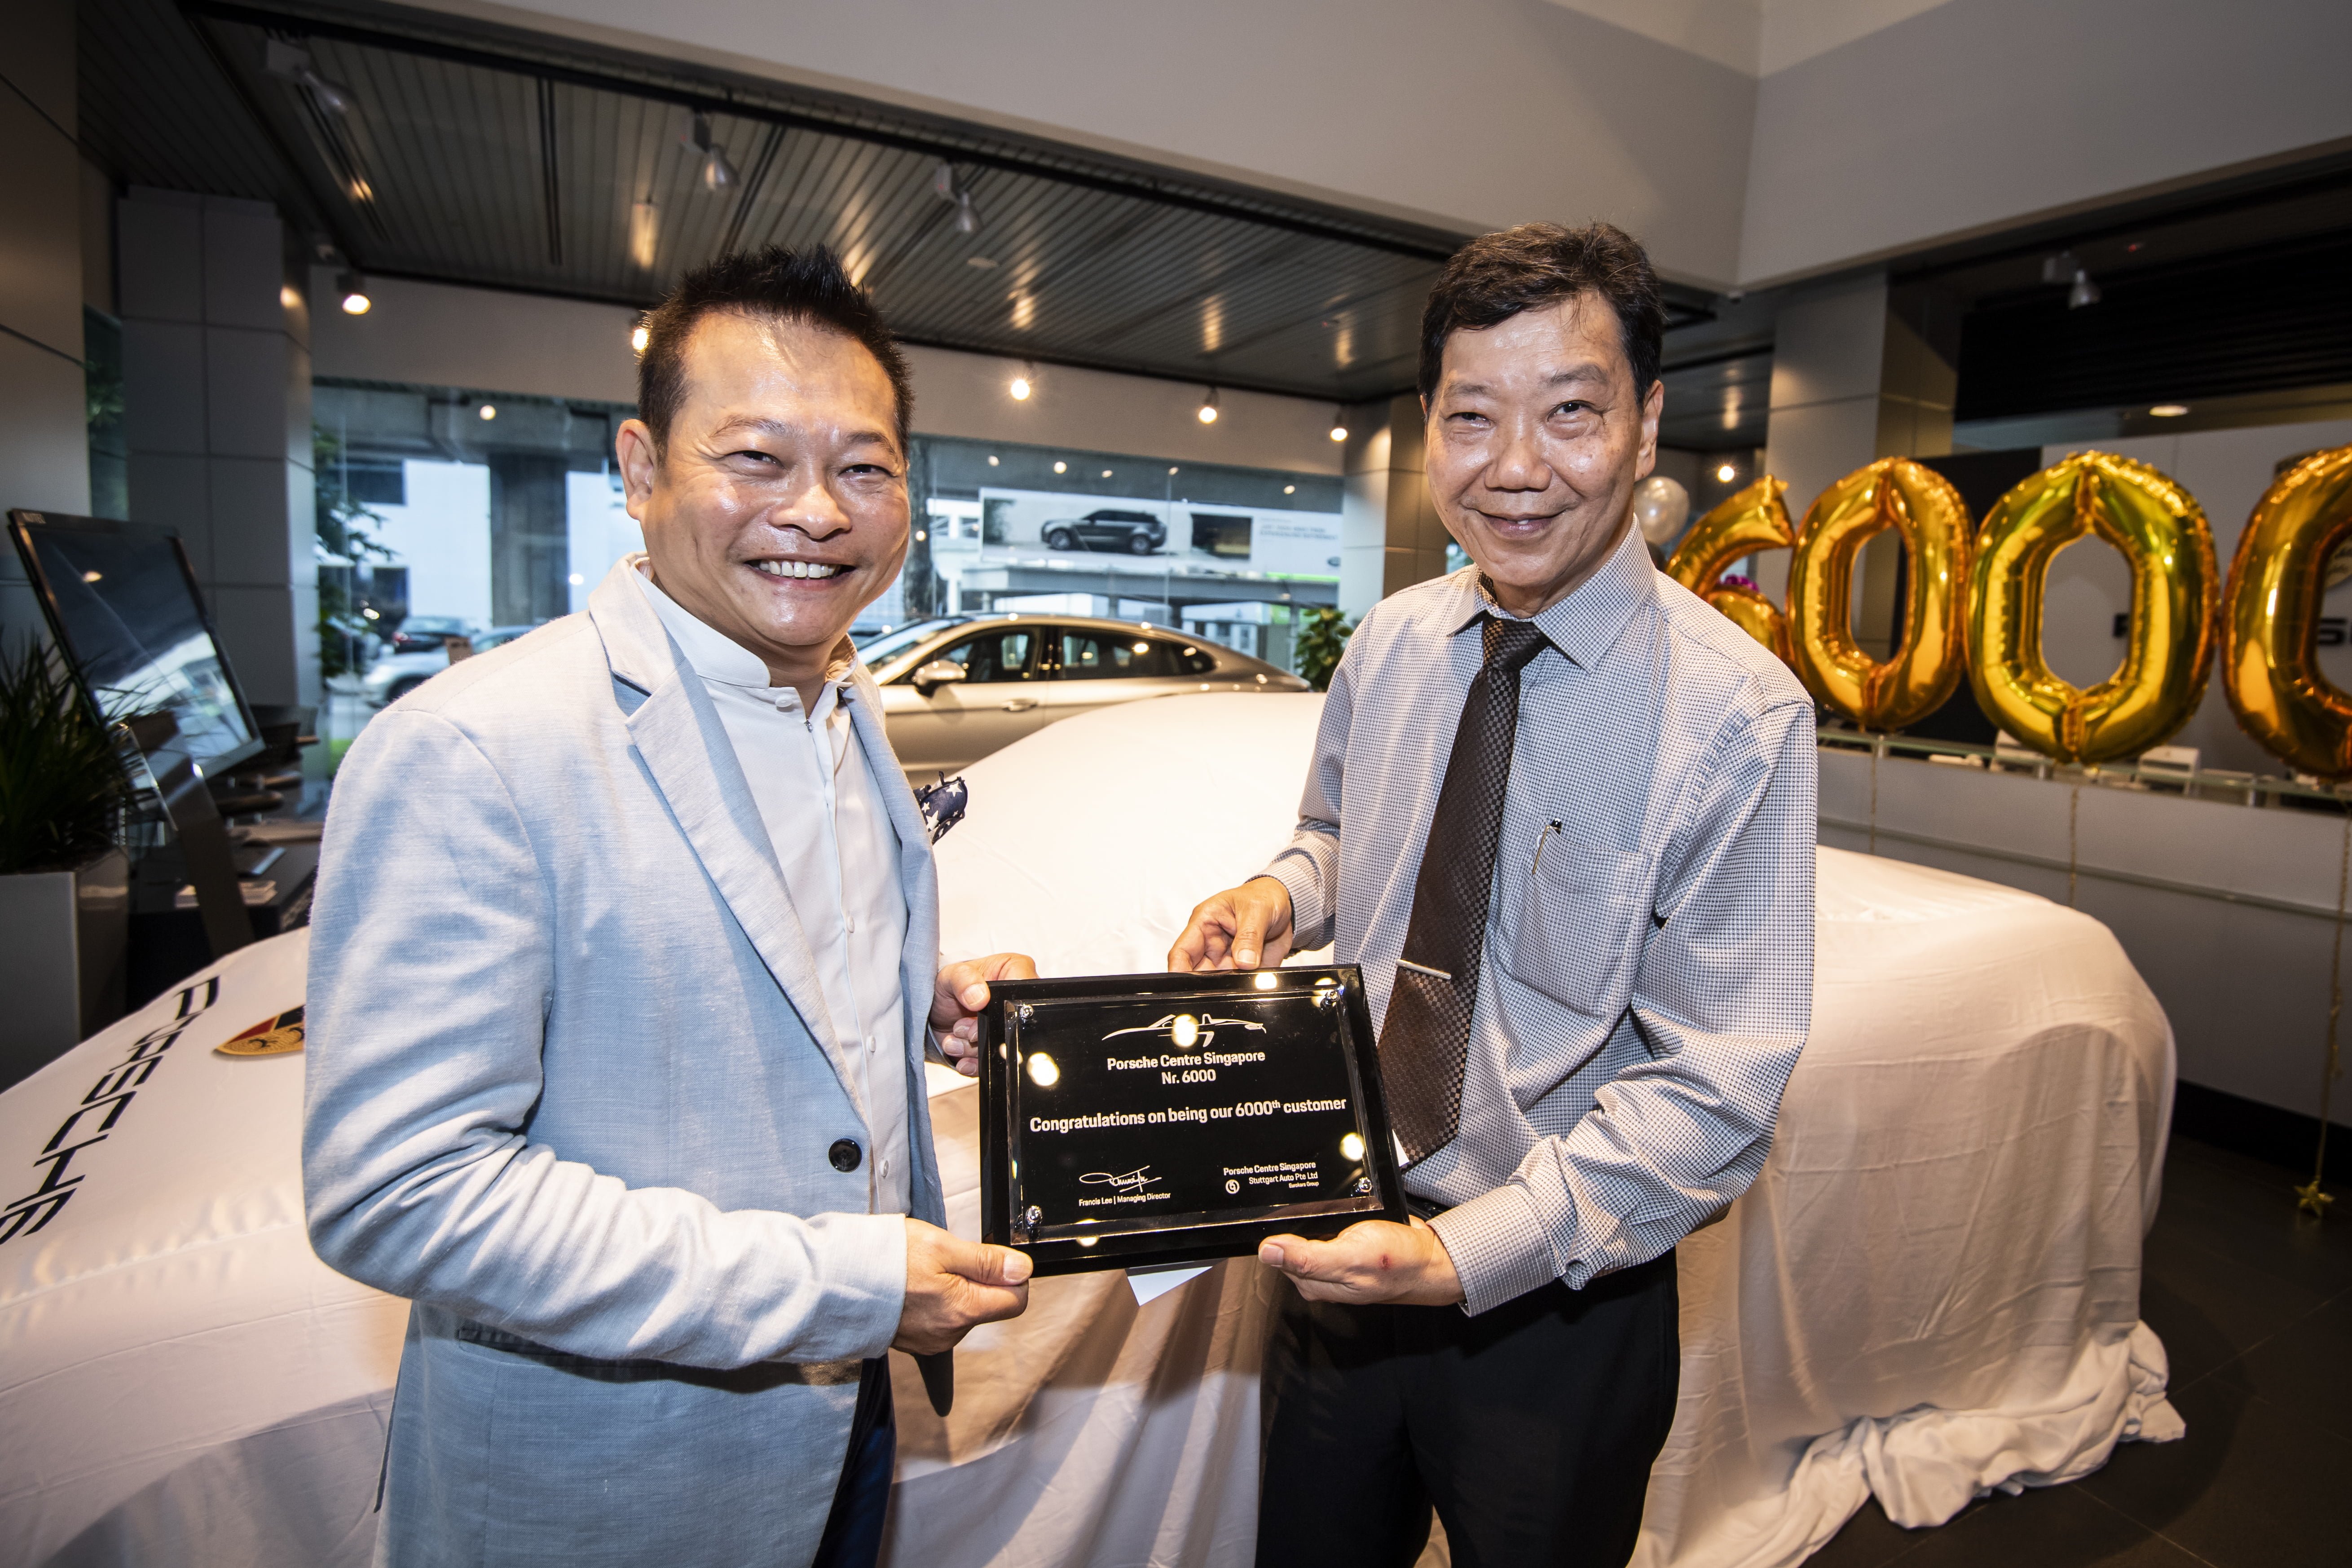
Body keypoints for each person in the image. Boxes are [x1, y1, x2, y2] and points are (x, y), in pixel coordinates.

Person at [304, 246, 1034, 1568]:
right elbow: (399, 1191)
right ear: (640, 469)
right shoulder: (476, 747)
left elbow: (736, 951)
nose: (815, 510)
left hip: (838, 1425)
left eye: (864, 468)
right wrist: (841, 1285)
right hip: (610, 1484)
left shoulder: (840, 694)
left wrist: (901, 991)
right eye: (755, 458)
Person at [1167, 223, 1817, 1568]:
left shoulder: (1739, 715)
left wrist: (1470, 1258)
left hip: (1558, 1300)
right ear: (1429, 429)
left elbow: (1722, 1085)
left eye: (1570, 413)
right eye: (1474, 417)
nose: (1516, 468)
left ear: (1645, 427)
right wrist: (1274, 895)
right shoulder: (1399, 639)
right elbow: (1344, 836)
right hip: (1344, 1231)